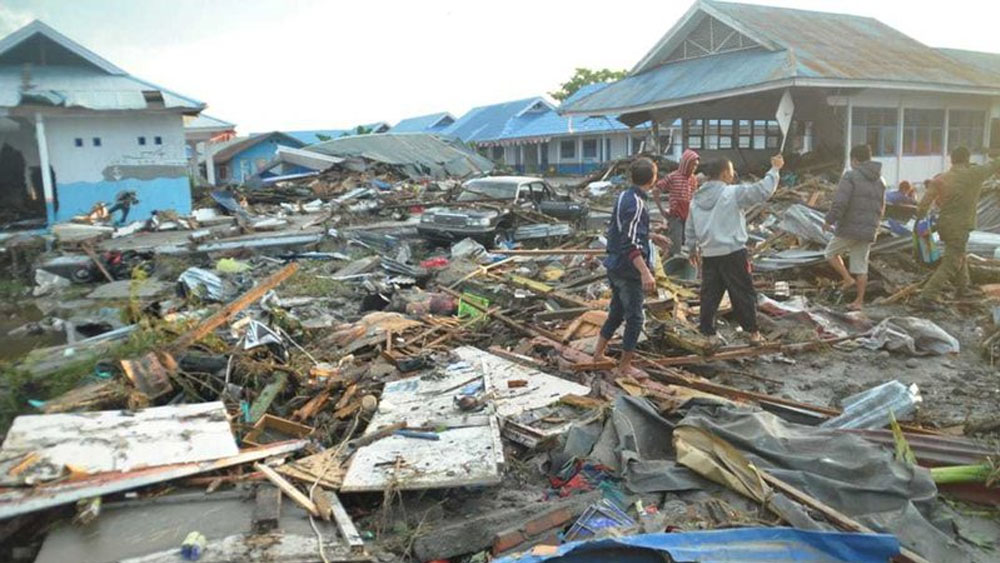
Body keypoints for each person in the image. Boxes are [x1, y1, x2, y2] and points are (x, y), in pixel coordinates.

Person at [684, 154, 784, 346]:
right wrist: (775, 169)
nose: (733, 175)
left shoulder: (697, 198)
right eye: (731, 171)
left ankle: (708, 333)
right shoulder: (732, 193)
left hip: (709, 253)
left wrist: (691, 249)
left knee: (709, 294)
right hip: (733, 252)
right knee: (742, 292)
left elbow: (690, 227)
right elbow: (762, 191)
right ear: (723, 174)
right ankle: (752, 333)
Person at [593, 157, 671, 376]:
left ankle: (598, 353)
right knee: (635, 317)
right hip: (628, 270)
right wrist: (645, 272)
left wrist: (651, 236)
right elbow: (630, 243)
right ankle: (625, 366)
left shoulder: (625, 197)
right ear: (653, 179)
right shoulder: (636, 204)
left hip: (615, 265)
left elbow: (623, 231)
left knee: (617, 312)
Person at [914, 146, 1000, 307]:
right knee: (951, 262)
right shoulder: (974, 174)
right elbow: (995, 165)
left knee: (959, 254)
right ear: (967, 159)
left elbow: (923, 205)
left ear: (951, 160)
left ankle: (963, 288)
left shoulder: (941, 178)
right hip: (960, 226)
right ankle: (927, 296)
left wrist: (921, 222)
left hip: (944, 224)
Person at [822, 144, 887, 311]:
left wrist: (829, 220)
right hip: (869, 229)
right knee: (861, 266)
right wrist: (875, 225)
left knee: (830, 253)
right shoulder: (881, 180)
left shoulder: (850, 176)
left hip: (850, 227)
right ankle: (859, 301)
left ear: (855, 160)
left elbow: (840, 202)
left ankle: (847, 278)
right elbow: (882, 207)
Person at [653, 149, 700, 256]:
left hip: (688, 216)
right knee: (675, 245)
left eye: (696, 166)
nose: (694, 168)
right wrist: (661, 209)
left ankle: (689, 265)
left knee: (691, 244)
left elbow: (694, 198)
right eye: (692, 165)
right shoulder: (673, 176)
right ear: (685, 164)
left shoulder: (693, 179)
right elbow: (656, 190)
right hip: (676, 216)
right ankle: (673, 265)